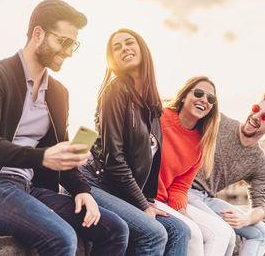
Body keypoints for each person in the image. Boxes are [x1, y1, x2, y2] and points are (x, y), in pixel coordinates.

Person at [0, 0, 128, 256]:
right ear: (38, 34)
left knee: (115, 229)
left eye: (73, 45)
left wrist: (82, 191)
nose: (69, 52)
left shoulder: (57, 93)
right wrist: (42, 157)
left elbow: (62, 155)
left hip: (30, 189)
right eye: (64, 42)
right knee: (62, 238)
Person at [78, 28, 190, 256]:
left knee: (180, 230)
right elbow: (115, 160)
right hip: (96, 183)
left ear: (141, 49)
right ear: (112, 60)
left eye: (129, 43)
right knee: (153, 233)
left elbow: (150, 162)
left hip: (121, 190)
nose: (124, 49)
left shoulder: (151, 105)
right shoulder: (115, 91)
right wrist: (143, 206)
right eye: (116, 47)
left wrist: (148, 201)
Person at [188, 92, 265, 256]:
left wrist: (247, 219)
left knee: (263, 234)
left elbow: (259, 207)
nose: (256, 116)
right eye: (256, 109)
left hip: (206, 199)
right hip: (183, 190)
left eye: (264, 117)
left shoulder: (259, 162)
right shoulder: (219, 122)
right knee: (226, 235)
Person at [154, 76, 234, 256]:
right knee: (194, 234)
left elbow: (180, 187)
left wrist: (182, 211)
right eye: (198, 93)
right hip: (146, 196)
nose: (204, 100)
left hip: (165, 200)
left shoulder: (201, 143)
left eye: (210, 99)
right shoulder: (159, 117)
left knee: (223, 232)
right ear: (183, 96)